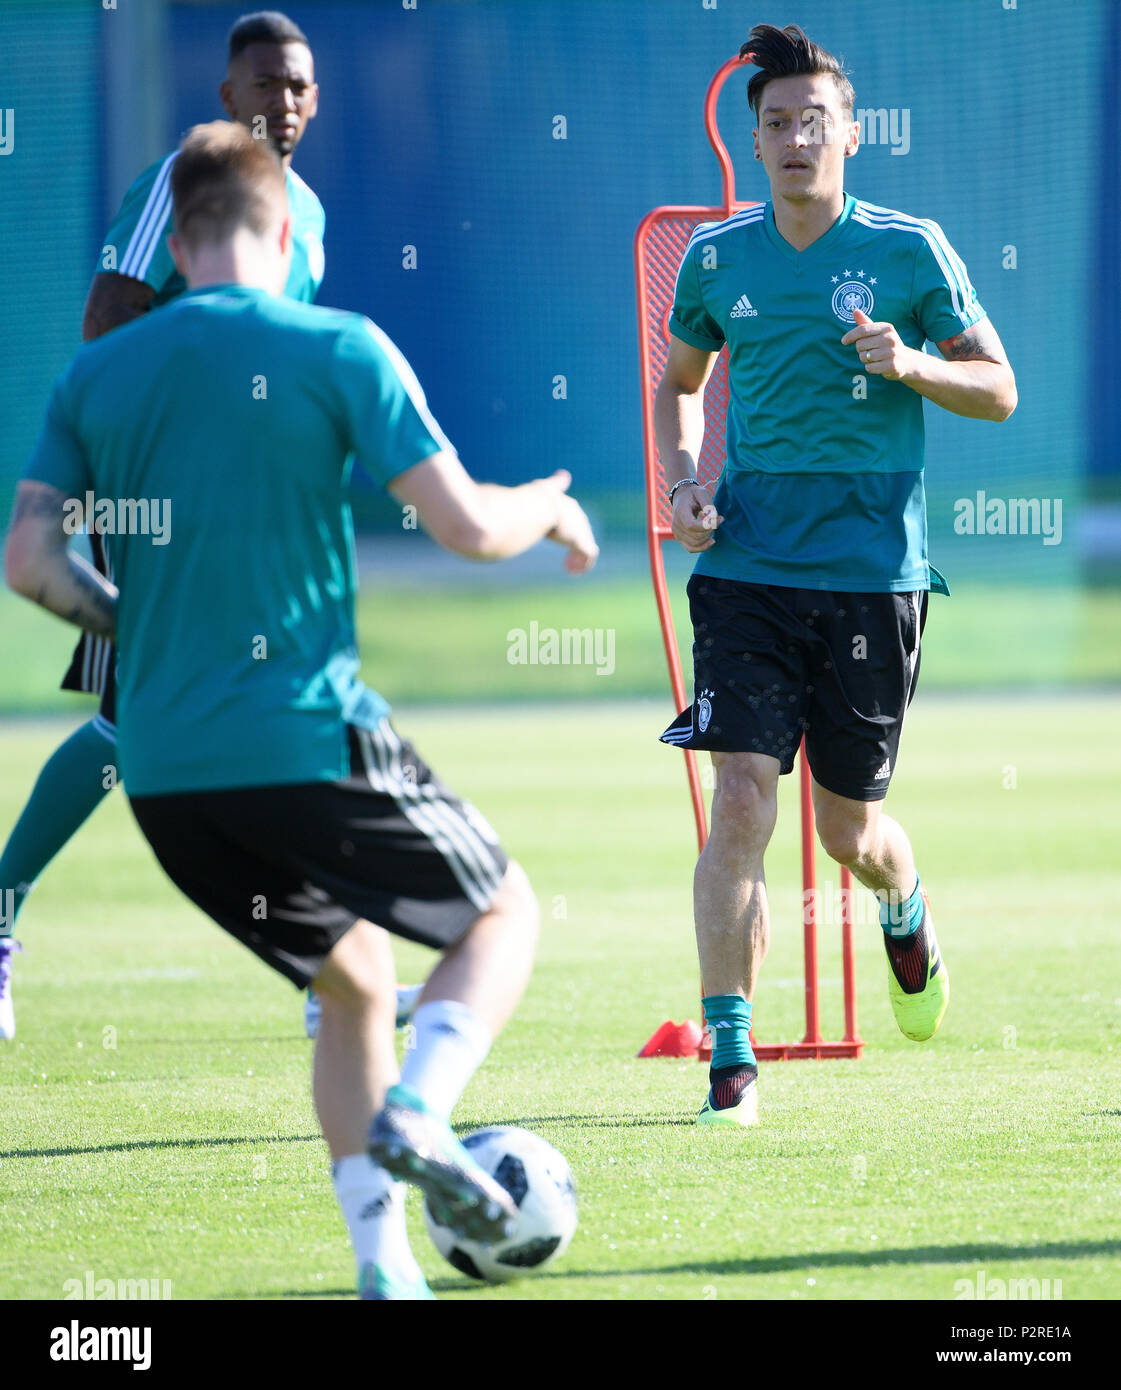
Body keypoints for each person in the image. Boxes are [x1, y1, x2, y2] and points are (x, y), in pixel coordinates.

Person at [4, 120, 598, 1299]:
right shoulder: (338, 347)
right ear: (284, 231)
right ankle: (423, 1114)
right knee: (501, 916)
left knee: (356, 985)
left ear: (176, 239)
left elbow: (29, 561)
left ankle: (385, 1269)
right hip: (302, 735)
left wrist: (136, 625)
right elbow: (470, 528)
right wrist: (548, 506)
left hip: (168, 779)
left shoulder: (94, 374)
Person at [656, 24, 1016, 1127]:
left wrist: (909, 362)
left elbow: (997, 388)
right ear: (753, 140)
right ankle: (731, 1064)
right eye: (775, 122)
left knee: (846, 833)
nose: (795, 136)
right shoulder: (716, 258)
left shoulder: (909, 249)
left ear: (849, 134)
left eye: (815, 119)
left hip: (871, 574)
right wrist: (681, 481)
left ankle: (903, 907)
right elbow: (679, 384)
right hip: (749, 565)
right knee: (739, 809)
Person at [0, 9, 326, 1040]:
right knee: (163, 718)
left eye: (300, 87)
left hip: (247, 505)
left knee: (150, 723)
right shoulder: (185, 182)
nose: (283, 101)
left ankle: (327, 974)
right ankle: (327, 978)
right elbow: (108, 314)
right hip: (155, 494)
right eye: (265, 84)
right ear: (226, 96)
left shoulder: (307, 211)